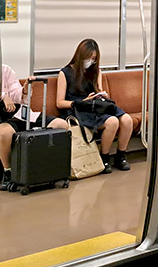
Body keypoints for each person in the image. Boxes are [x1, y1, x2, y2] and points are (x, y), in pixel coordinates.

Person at [0, 35, 69, 191]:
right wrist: (1, 96)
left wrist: (25, 89)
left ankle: (44, 168)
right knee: (5, 133)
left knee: (61, 125)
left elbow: (17, 95)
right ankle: (8, 171)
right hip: (0, 117)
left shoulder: (5, 70)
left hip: (21, 114)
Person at [55, 38, 133, 174]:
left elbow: (98, 89)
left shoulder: (96, 71)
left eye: (94, 59)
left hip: (95, 106)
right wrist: (82, 101)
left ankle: (121, 156)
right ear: (80, 56)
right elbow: (60, 102)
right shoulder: (65, 73)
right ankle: (104, 157)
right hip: (78, 108)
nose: (91, 61)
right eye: (89, 58)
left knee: (127, 120)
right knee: (113, 122)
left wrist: (101, 95)